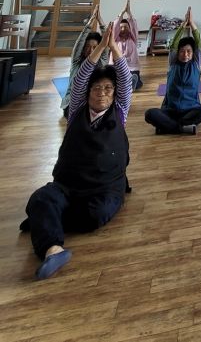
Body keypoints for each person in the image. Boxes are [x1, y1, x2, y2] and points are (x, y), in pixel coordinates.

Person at [21, 24, 132, 279]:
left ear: (114, 94)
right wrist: (100, 47)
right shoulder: (76, 110)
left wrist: (113, 48)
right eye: (96, 89)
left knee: (96, 215)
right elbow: (81, 77)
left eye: (107, 89)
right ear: (87, 93)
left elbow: (125, 80)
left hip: (104, 188)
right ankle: (53, 249)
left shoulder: (120, 110)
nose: (101, 94)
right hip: (69, 184)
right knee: (40, 198)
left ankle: (46, 219)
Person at [144, 7, 201, 135]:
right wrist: (183, 25)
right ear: (177, 53)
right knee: (149, 114)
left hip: (190, 109)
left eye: (189, 51)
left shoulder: (196, 65)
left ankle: (168, 127)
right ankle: (182, 128)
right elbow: (174, 44)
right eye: (182, 51)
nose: (185, 54)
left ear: (193, 54)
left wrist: (192, 24)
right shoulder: (173, 63)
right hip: (170, 110)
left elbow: (199, 44)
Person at [61, 5, 108, 118]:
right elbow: (80, 42)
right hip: (74, 103)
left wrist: (101, 22)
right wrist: (90, 22)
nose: (90, 51)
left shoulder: (101, 62)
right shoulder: (77, 61)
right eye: (87, 47)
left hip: (94, 101)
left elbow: (106, 42)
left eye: (94, 47)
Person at [111, 0, 142, 90]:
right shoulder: (115, 39)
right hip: (116, 66)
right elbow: (115, 27)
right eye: (121, 27)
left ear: (129, 28)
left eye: (126, 27)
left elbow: (134, 26)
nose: (123, 29)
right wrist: (122, 13)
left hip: (131, 66)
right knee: (114, 79)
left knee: (137, 83)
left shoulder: (133, 38)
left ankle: (129, 83)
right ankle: (124, 84)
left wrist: (129, 13)